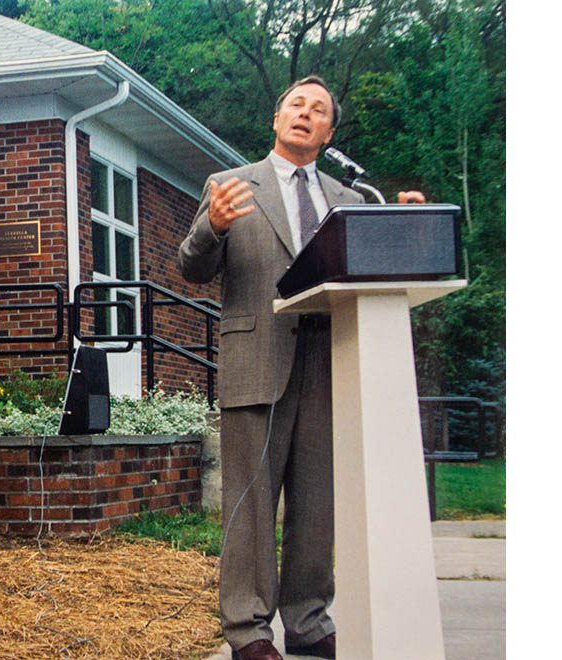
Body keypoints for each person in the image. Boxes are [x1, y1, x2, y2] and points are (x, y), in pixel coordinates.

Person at [178, 76, 424, 660]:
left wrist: (410, 228)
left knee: (319, 503)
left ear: (329, 132)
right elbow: (191, 268)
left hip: (331, 362)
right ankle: (249, 630)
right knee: (252, 504)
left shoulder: (355, 201)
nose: (306, 115)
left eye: (319, 111)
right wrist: (212, 225)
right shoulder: (230, 186)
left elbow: (384, 273)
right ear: (276, 118)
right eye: (297, 105)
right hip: (258, 360)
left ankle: (309, 621)